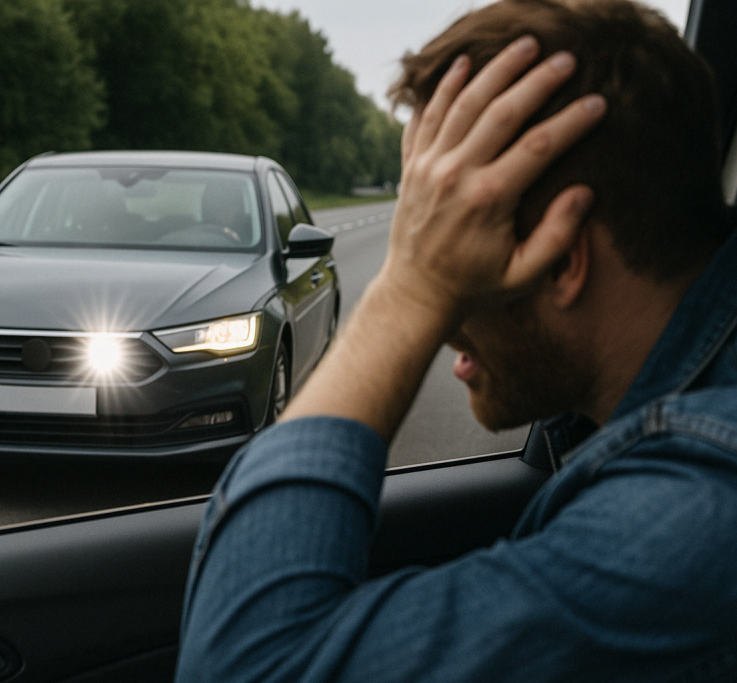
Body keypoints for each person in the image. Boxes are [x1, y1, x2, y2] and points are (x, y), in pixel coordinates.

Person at [175, 0, 737, 680]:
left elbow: (246, 666)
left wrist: (410, 292)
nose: (439, 324)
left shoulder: (696, 511)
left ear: (561, 260)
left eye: (443, 246)